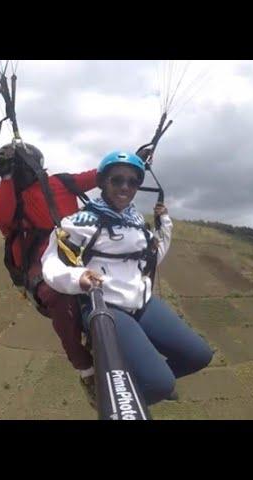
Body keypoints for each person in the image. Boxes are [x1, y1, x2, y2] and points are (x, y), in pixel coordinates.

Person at [41, 150, 213, 406]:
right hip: (107, 308)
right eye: (117, 180)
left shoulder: (136, 223)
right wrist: (78, 278)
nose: (125, 187)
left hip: (142, 303)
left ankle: (138, 380)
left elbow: (150, 259)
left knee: (199, 356)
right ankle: (119, 393)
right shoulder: (80, 222)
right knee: (159, 385)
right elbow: (50, 262)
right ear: (102, 183)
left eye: (132, 182)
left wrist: (164, 224)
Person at [0, 142, 98, 401]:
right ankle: (85, 368)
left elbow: (100, 175)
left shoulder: (61, 183)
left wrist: (134, 161)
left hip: (76, 250)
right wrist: (8, 177)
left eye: (13, 165)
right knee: (58, 294)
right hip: (38, 261)